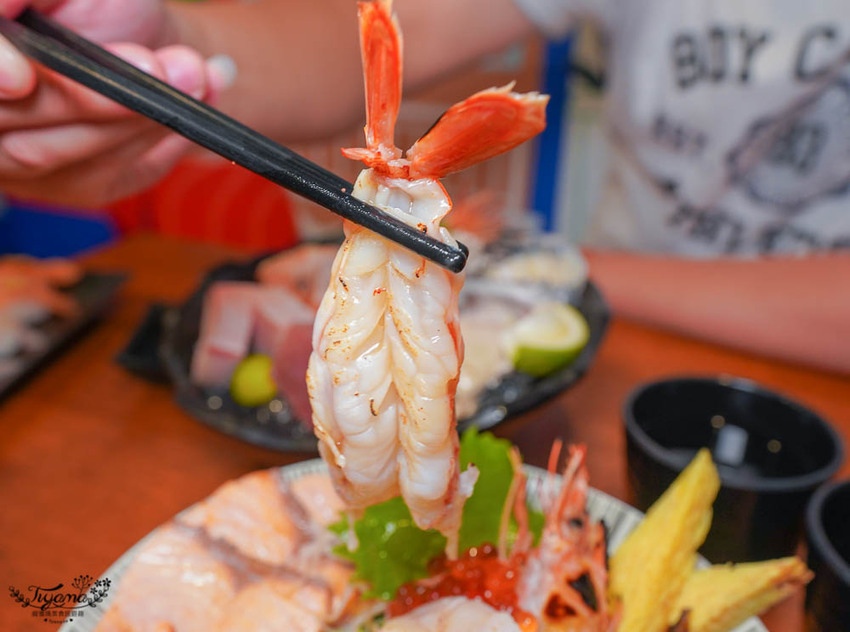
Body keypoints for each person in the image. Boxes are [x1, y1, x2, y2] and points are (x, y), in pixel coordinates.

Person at [0, 0, 847, 374]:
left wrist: (529, 261)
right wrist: (170, 43)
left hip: (634, 311)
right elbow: (371, 32)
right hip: (609, 333)